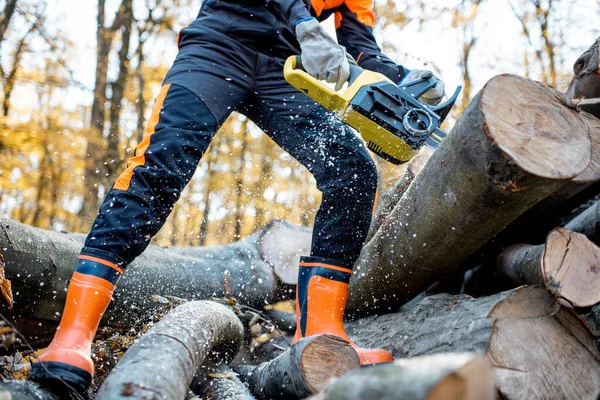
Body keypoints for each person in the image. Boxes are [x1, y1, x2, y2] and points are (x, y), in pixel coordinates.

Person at [29, 0, 444, 392]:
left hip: (285, 68)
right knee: (159, 166)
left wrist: (404, 81)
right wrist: (307, 26)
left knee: (351, 171)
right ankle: (73, 334)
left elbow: (361, 45)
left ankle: (321, 332)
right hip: (218, 46)